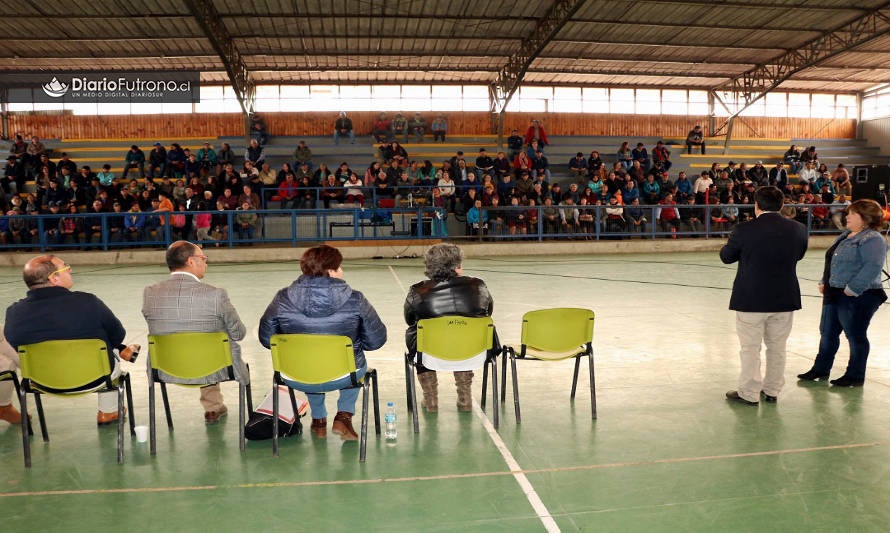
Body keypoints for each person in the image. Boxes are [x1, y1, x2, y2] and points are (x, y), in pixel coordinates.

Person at [258, 245, 386, 440]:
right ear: (330, 271)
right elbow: (376, 341)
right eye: (339, 267)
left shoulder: (282, 298)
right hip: (344, 375)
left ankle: (319, 420)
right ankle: (344, 415)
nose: (342, 271)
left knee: (310, 363)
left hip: (295, 373)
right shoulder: (356, 299)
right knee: (354, 360)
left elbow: (267, 339)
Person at [4, 255, 139, 425]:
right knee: (108, 349)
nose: (70, 270)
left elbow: (14, 344)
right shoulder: (89, 302)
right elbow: (117, 335)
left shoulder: (14, 312)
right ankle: (108, 411)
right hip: (95, 379)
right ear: (54, 278)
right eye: (65, 267)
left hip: (40, 381)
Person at [720, 186, 809, 405]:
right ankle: (772, 391)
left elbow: (727, 257)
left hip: (751, 298)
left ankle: (749, 393)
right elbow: (799, 255)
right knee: (777, 347)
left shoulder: (743, 229)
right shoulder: (798, 229)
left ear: (756, 204)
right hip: (784, 297)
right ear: (782, 205)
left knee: (750, 348)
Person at [142, 241, 247, 424]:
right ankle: (214, 407)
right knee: (213, 345)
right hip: (216, 367)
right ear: (191, 261)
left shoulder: (150, 293)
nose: (205, 263)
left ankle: (213, 406)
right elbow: (238, 333)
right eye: (203, 258)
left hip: (166, 368)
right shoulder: (215, 294)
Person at [798, 199, 888, 387]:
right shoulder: (846, 235)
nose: (847, 217)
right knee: (827, 333)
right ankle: (820, 369)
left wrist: (853, 289)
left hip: (861, 295)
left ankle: (855, 375)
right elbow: (833, 261)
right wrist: (825, 281)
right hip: (835, 291)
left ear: (865, 218)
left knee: (855, 335)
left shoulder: (873, 239)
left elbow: (872, 267)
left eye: (852, 214)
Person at [404, 243, 496, 412]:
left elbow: (409, 319)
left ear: (429, 266)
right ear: (457, 266)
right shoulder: (478, 286)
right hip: (474, 353)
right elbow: (488, 311)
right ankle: (465, 398)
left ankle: (430, 400)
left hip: (430, 355)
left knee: (418, 335)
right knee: (466, 336)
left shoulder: (418, 290)